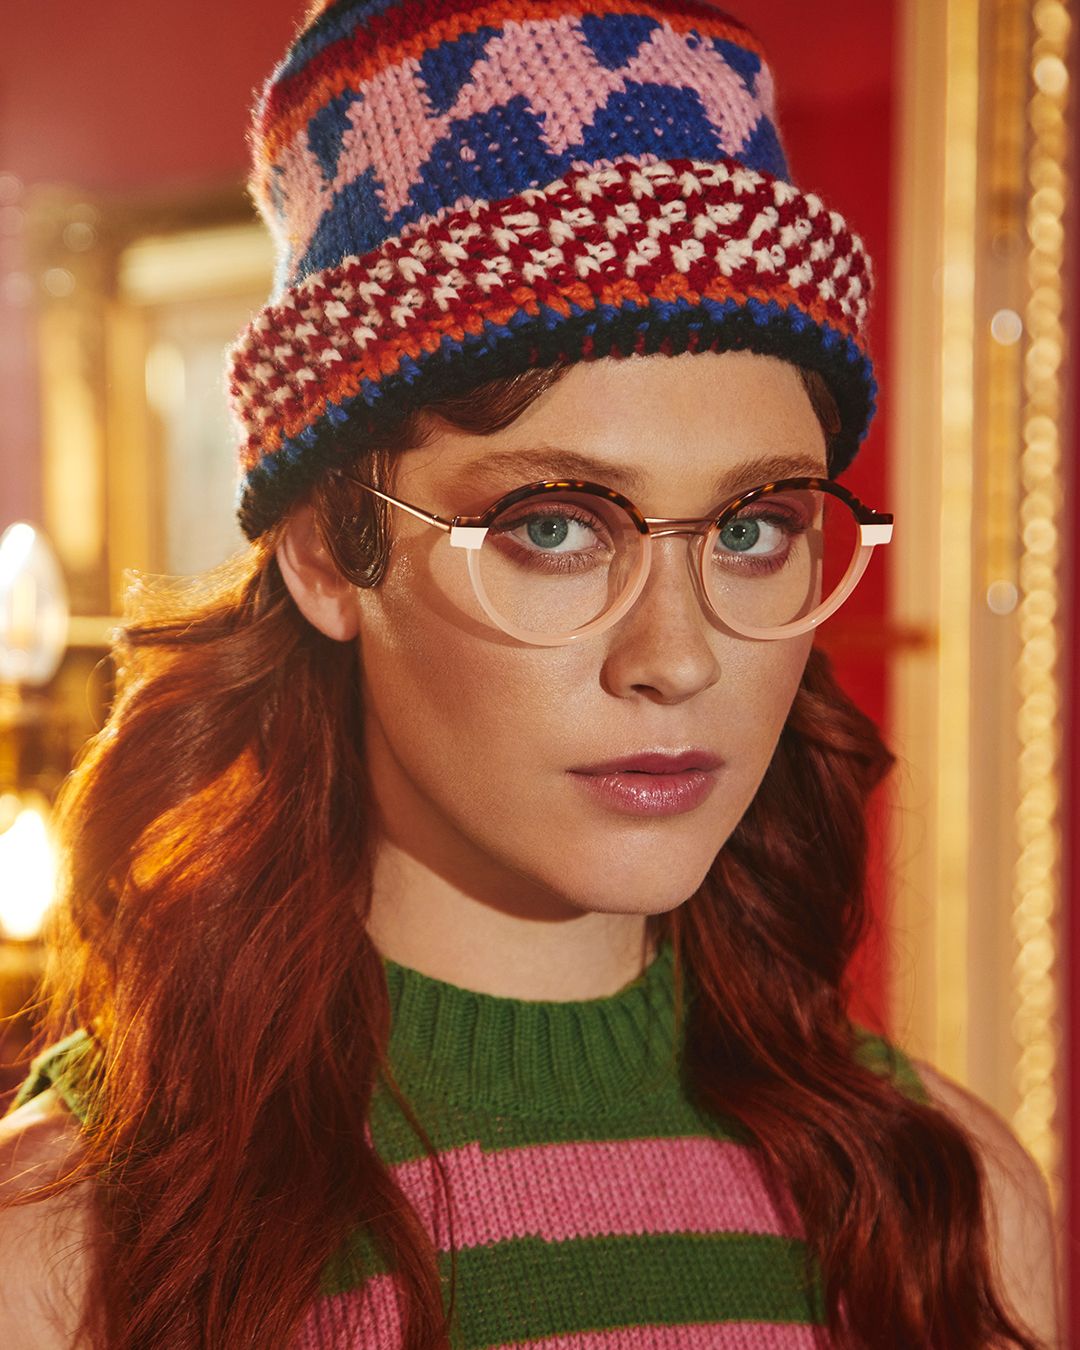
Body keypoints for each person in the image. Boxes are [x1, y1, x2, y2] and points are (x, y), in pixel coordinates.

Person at [0, 1, 1062, 1346]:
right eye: (554, 527)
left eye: (752, 528)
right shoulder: (77, 1243)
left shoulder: (945, 1203)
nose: (678, 658)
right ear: (328, 551)